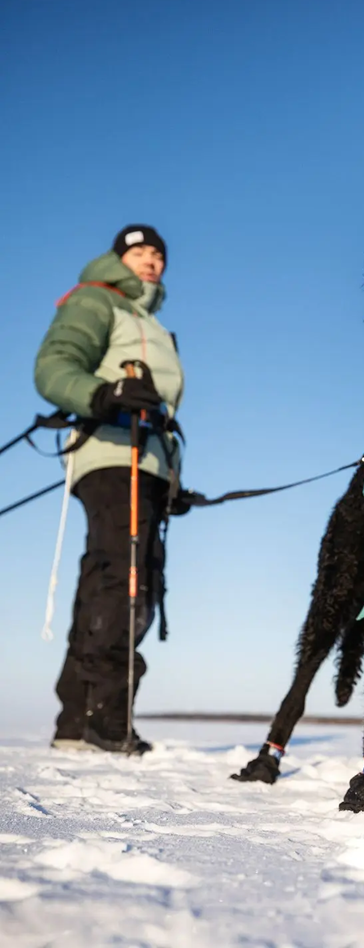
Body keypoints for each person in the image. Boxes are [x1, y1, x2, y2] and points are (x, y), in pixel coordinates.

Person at [34, 225, 185, 754]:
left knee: (114, 577)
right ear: (118, 258)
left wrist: (173, 482)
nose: (151, 260)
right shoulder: (97, 300)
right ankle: (108, 720)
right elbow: (54, 367)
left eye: (158, 253)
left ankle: (76, 721)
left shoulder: (151, 323)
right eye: (139, 251)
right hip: (110, 454)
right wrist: (103, 394)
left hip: (149, 463)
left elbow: (159, 411)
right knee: (124, 579)